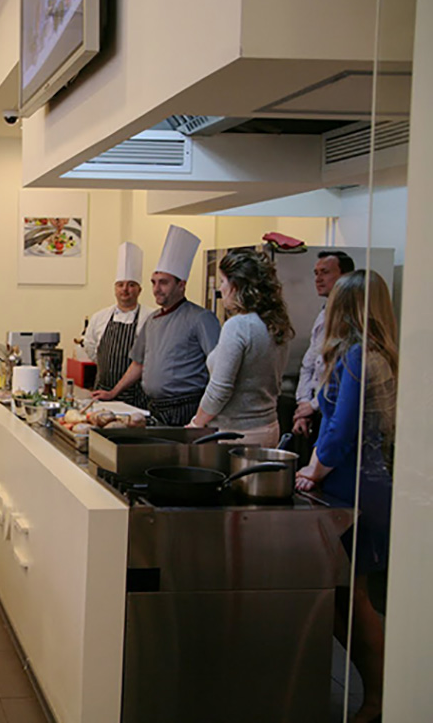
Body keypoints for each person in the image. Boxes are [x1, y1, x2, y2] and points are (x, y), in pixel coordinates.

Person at [294, 270, 396, 723]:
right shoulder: (375, 354)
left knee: (354, 600)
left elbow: (342, 431)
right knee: (340, 597)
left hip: (356, 487)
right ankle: (376, 694)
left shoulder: (357, 356)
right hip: (364, 482)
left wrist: (313, 470)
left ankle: (378, 700)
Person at [94, 226, 220, 426]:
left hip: (186, 408)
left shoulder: (201, 318)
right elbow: (138, 364)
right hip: (155, 407)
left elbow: (220, 370)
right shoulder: (152, 320)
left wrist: (206, 416)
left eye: (163, 283)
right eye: (154, 282)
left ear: (181, 285)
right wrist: (113, 393)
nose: (156, 289)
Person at [187, 250, 294, 446]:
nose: (220, 289)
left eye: (222, 281)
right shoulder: (275, 322)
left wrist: (196, 424)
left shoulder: (238, 326)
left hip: (236, 433)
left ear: (235, 286)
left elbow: (220, 390)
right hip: (268, 426)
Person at [293, 250, 356, 436]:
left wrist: (313, 406)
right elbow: (309, 364)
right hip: (314, 410)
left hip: (334, 411)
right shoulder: (323, 313)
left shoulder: (352, 318)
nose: (318, 279)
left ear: (345, 276)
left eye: (325, 272)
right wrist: (303, 404)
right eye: (316, 273)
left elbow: (341, 378)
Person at [82, 242, 150, 407]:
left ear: (139, 290)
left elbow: (150, 358)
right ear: (115, 289)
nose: (125, 289)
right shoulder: (100, 317)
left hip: (137, 398)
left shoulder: (150, 317)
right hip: (102, 393)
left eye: (131, 285)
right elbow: (91, 348)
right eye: (120, 285)